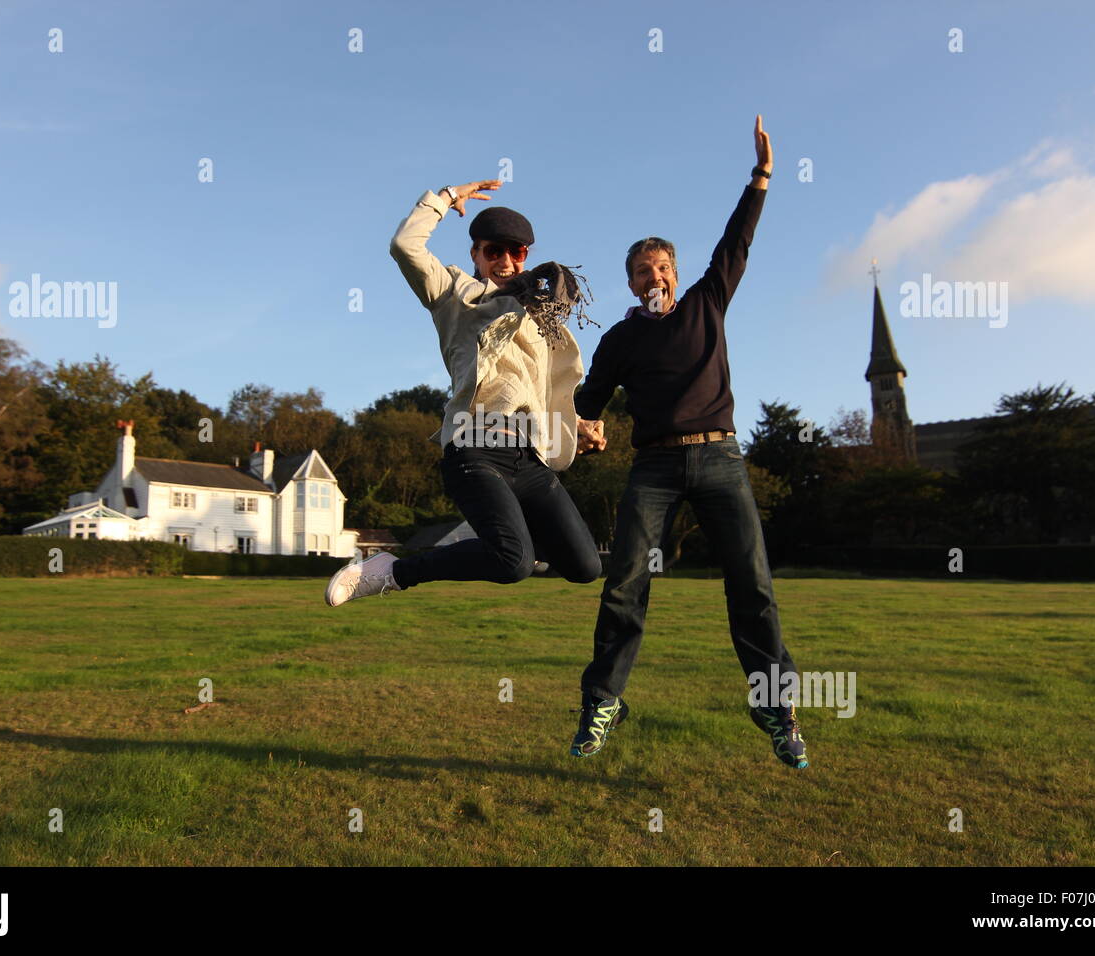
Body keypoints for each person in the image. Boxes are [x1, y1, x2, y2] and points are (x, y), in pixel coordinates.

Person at [568, 116, 809, 769]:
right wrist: (585, 427)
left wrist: (760, 176)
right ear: (631, 283)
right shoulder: (619, 341)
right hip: (654, 466)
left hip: (722, 456)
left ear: (675, 273)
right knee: (623, 583)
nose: (656, 276)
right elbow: (587, 400)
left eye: (663, 265)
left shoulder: (709, 301)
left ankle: (774, 708)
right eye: (644, 269)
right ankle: (602, 704)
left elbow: (738, 241)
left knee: (752, 585)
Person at [325, 179, 602, 606]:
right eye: (494, 251)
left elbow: (538, 390)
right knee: (512, 563)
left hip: (529, 456)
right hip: (475, 448)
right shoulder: (454, 293)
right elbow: (405, 246)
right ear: (476, 253)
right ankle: (391, 571)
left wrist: (577, 425)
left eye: (517, 252)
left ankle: (524, 543)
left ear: (527, 256)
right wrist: (445, 199)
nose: (506, 261)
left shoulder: (539, 317)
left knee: (585, 566)